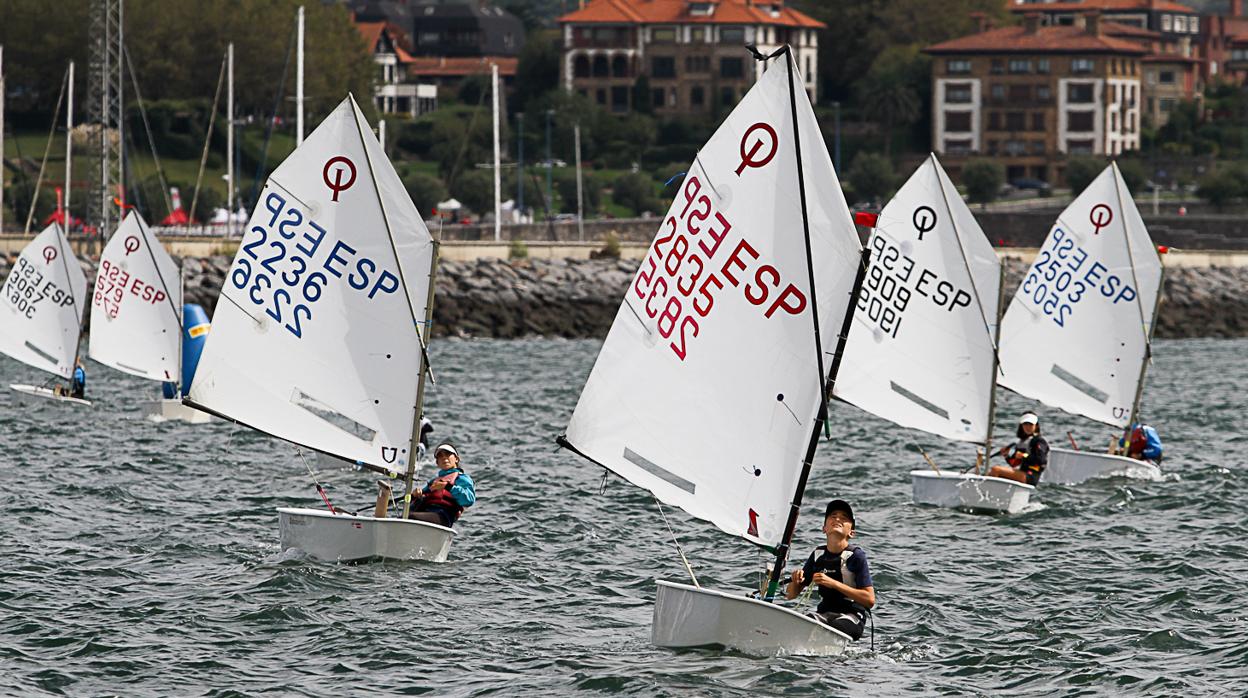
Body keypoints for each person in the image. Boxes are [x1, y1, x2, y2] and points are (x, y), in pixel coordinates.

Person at [785, 499, 875, 640]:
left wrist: (833, 583)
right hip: (824, 614)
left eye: (844, 518)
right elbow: (790, 595)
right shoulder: (817, 555)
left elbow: (869, 600)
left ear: (851, 532)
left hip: (851, 616)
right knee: (798, 626)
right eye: (833, 516)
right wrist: (796, 580)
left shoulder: (856, 556)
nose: (838, 519)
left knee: (833, 629)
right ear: (824, 528)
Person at [408, 442, 475, 527]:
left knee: (411, 517)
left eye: (447, 454)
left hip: (443, 516)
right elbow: (421, 497)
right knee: (402, 517)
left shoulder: (462, 478)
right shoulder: (434, 482)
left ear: (456, 459)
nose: (444, 458)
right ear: (437, 463)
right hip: (426, 513)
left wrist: (448, 487)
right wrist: (415, 495)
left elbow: (469, 500)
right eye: (440, 456)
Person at [988, 412, 1049, 485]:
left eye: (1031, 424)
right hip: (1022, 473)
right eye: (1025, 424)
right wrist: (1006, 455)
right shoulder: (1022, 443)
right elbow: (1014, 464)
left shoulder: (1039, 441)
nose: (1028, 427)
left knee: (996, 469)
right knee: (990, 472)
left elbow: (1041, 460)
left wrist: (1024, 456)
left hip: (1031, 476)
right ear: (1021, 426)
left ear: (1036, 426)